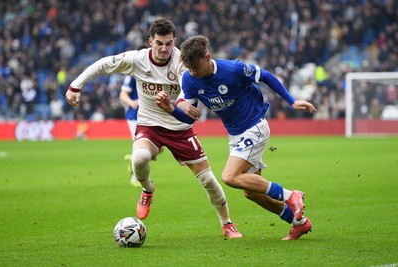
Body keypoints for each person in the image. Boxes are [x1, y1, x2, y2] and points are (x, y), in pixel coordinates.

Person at [65, 19, 242, 238]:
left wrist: (181, 102)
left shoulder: (180, 61)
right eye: (159, 43)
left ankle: (227, 223)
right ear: (150, 41)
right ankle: (148, 190)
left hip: (179, 129)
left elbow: (185, 87)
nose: (164, 48)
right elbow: (103, 64)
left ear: (174, 42)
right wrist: (75, 85)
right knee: (138, 158)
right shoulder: (137, 59)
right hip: (149, 125)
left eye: (168, 43)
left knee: (207, 179)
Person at [155, 35, 317, 240]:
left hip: (255, 126)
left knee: (229, 177)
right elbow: (188, 120)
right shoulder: (189, 78)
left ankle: (290, 195)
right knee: (251, 192)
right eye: (189, 68)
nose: (192, 72)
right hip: (236, 135)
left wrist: (291, 101)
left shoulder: (233, 69)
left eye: (195, 67)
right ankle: (299, 223)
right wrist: (170, 108)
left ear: (207, 57)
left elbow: (265, 75)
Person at [119, 75, 140, 187]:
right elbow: (122, 94)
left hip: (152, 115)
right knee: (141, 146)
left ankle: (133, 159)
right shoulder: (133, 74)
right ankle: (135, 178)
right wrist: (132, 103)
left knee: (159, 148)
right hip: (135, 116)